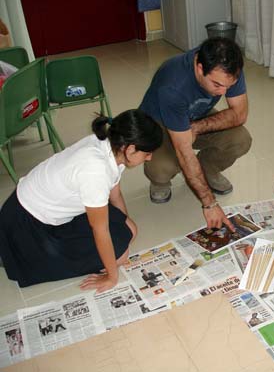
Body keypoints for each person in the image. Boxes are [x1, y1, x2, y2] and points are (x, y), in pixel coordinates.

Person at [0, 110, 163, 292]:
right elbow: (100, 230)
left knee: (130, 230)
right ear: (130, 149)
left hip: (44, 208)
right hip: (28, 226)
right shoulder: (95, 170)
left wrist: (122, 227)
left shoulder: (112, 146)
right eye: (147, 153)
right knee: (120, 256)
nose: (150, 158)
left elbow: (115, 195)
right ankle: (15, 254)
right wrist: (111, 277)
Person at [139, 37, 251, 232]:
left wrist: (197, 127)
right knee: (164, 167)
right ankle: (159, 182)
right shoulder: (173, 84)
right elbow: (184, 152)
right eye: (217, 85)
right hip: (159, 122)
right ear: (199, 68)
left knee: (241, 139)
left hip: (196, 117)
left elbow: (239, 114)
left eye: (229, 86)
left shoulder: (229, 66)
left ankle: (208, 169)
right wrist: (210, 204)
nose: (223, 92)